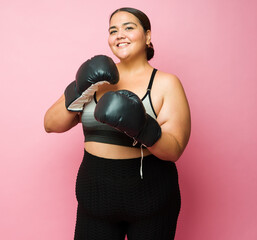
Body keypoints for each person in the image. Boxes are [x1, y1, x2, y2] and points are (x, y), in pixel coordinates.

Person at [44, 7, 191, 240]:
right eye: (113, 30)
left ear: (148, 36)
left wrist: (142, 126)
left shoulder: (165, 83)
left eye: (129, 28)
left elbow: (174, 149)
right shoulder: (98, 79)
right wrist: (78, 88)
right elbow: (51, 124)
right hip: (95, 196)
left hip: (150, 197)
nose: (119, 34)